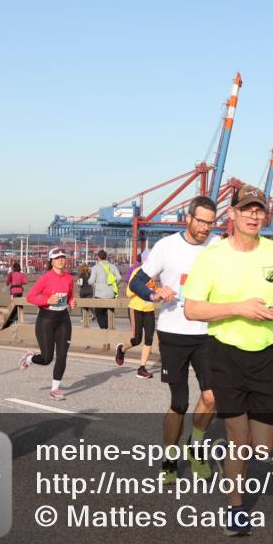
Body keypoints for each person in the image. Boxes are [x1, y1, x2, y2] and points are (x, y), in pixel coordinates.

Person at [184, 185, 273, 536]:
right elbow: (192, 309)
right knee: (239, 439)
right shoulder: (212, 256)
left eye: (259, 210)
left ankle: (226, 459)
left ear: (265, 215)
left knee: (261, 449)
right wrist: (239, 308)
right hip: (225, 354)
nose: (253, 215)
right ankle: (236, 509)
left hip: (265, 355)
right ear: (232, 213)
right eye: (246, 209)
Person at [129, 196, 221, 484]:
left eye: (210, 223)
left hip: (208, 333)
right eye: (201, 221)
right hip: (173, 333)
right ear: (189, 218)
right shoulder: (166, 246)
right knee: (179, 403)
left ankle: (196, 446)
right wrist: (155, 293)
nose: (206, 228)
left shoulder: (219, 246)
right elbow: (136, 282)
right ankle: (170, 459)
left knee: (212, 396)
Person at [19, 247, 77, 401]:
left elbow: (70, 296)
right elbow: (30, 297)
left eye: (63, 257)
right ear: (51, 261)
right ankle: (30, 358)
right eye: (57, 258)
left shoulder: (69, 278)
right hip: (46, 320)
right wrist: (47, 300)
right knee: (47, 358)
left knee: (62, 356)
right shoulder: (45, 278)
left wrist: (71, 302)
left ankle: (55, 390)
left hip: (63, 319)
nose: (61, 260)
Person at [116, 250, 156, 379]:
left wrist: (161, 292)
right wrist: (142, 287)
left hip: (149, 309)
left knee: (149, 338)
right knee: (136, 339)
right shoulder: (137, 272)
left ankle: (142, 368)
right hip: (136, 308)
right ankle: (121, 349)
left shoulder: (153, 274)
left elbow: (154, 289)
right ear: (144, 261)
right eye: (148, 260)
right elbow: (129, 292)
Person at [89, 250, 121, 329]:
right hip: (111, 295)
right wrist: (114, 285)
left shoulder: (95, 267)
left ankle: (104, 330)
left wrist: (94, 285)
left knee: (99, 313)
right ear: (106, 257)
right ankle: (108, 330)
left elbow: (91, 281)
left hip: (99, 295)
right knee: (109, 314)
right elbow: (119, 278)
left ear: (98, 257)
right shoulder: (113, 266)